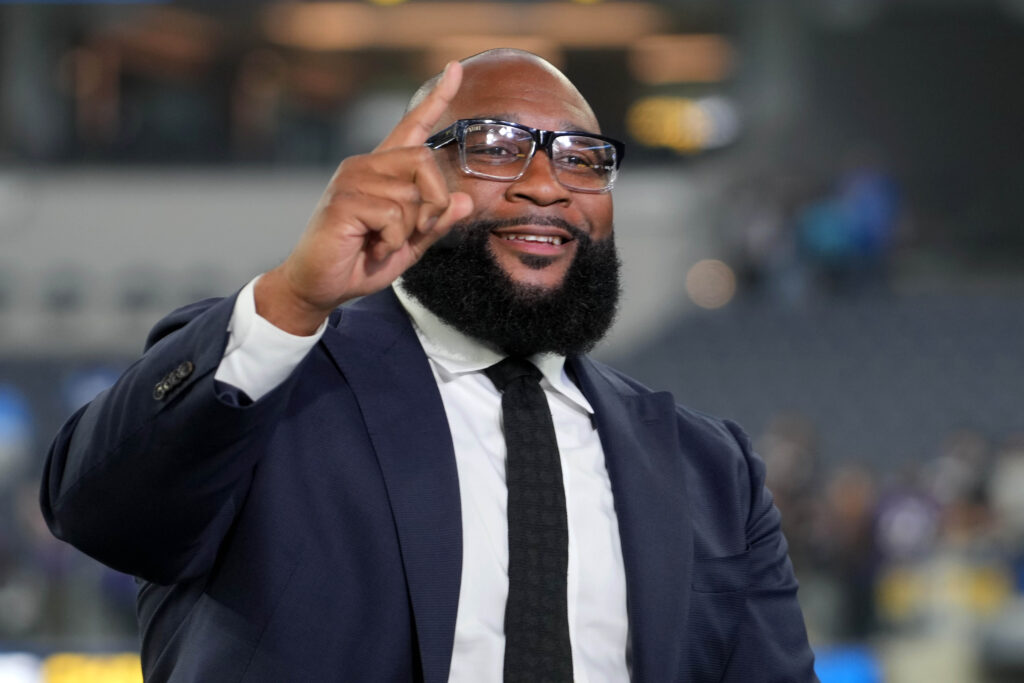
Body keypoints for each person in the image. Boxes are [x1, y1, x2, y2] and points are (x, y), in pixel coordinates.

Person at [40, 49, 817, 682]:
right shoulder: (272, 380)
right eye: (496, 148)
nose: (546, 184)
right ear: (414, 175)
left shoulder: (709, 469)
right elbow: (99, 510)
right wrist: (293, 299)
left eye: (583, 159)